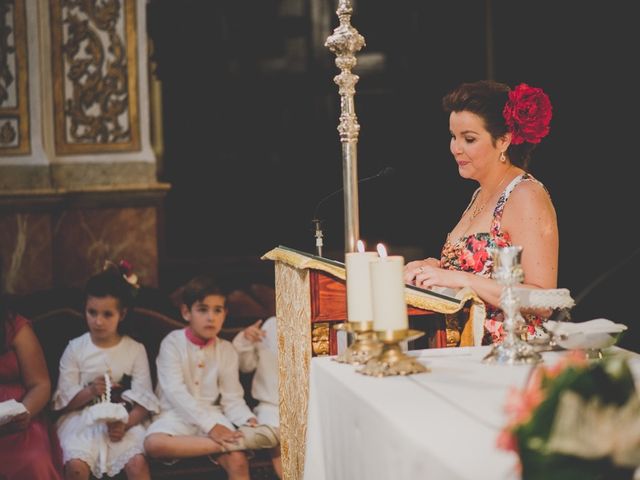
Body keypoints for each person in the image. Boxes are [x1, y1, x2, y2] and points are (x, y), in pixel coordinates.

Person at [404, 80, 558, 344]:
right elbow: (478, 272)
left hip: (512, 354)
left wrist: (456, 278)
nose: (456, 148)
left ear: (503, 141)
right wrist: (433, 267)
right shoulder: (480, 193)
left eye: (469, 139)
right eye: (453, 137)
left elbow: (543, 300)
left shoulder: (525, 194)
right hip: (466, 348)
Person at [143, 275, 260, 480]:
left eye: (218, 310)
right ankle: (228, 444)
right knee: (153, 444)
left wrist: (247, 419)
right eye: (203, 309)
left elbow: (232, 399)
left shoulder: (226, 350)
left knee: (238, 460)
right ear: (186, 312)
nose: (211, 317)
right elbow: (174, 392)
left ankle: (229, 446)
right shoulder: (172, 343)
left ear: (225, 314)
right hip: (175, 415)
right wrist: (212, 429)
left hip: (212, 413)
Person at [52, 266, 159, 479]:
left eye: (107, 314)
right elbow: (63, 402)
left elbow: (144, 401)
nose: (98, 321)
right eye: (92, 312)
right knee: (76, 465)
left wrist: (125, 424)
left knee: (137, 463)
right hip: (81, 418)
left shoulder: (135, 349)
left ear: (122, 314)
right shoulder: (75, 348)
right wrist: (90, 391)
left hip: (125, 418)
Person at [0, 298, 64, 479]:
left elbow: (40, 384)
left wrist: (24, 412)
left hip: (18, 422)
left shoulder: (14, 326)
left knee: (34, 460)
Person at [232, 316, 282, 478]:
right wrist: (246, 341)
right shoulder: (271, 325)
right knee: (275, 435)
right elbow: (246, 366)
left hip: (309, 403)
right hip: (271, 405)